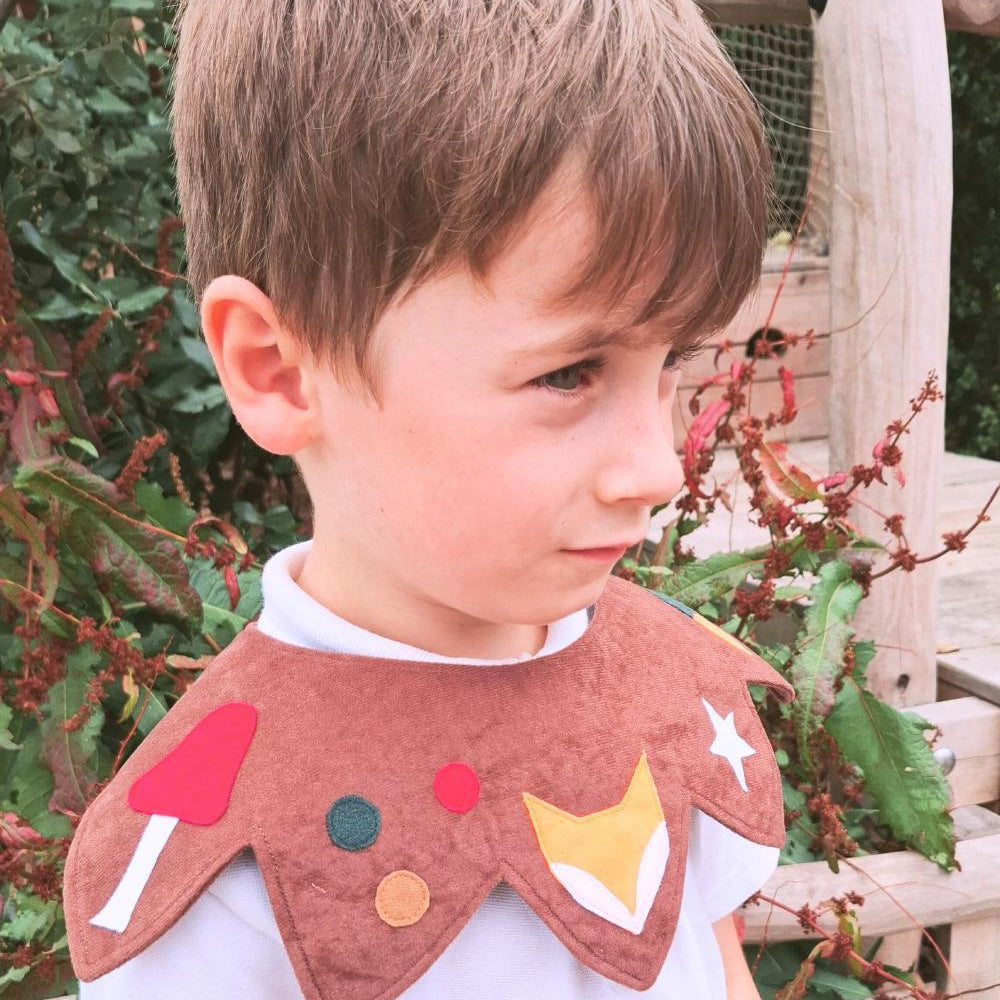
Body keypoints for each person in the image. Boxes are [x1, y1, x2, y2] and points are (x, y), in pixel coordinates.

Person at [63, 1, 795, 998]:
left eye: (674, 361)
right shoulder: (214, 857)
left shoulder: (665, 694)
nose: (657, 466)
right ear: (281, 371)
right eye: (571, 371)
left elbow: (712, 964)